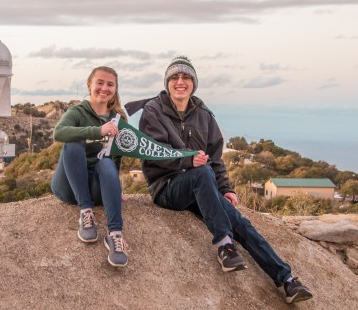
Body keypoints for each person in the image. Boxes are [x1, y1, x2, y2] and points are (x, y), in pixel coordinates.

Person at [125, 56, 313, 303]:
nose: (180, 82)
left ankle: (287, 281)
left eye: (186, 77)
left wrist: (225, 188)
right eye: (175, 77)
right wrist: (188, 161)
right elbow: (153, 153)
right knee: (202, 173)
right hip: (167, 187)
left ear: (193, 83)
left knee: (241, 223)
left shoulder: (203, 114)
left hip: (201, 186)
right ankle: (225, 245)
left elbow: (215, 157)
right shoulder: (152, 111)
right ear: (167, 82)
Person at [51, 66, 128, 267]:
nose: (104, 88)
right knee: (73, 143)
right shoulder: (77, 112)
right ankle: (86, 212)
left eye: (110, 84)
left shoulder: (119, 118)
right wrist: (97, 131)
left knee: (106, 162)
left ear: (115, 89)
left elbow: (117, 156)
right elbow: (58, 133)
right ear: (89, 85)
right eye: (100, 83)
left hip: (97, 187)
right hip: (69, 185)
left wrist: (115, 187)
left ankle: (115, 234)